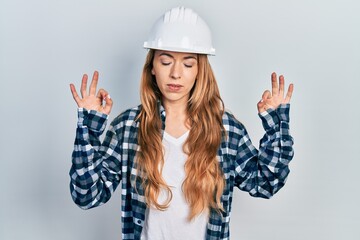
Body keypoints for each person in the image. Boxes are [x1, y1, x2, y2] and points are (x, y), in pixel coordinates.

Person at [69, 6, 294, 240]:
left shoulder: (226, 130)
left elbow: (266, 183)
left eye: (188, 64)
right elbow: (87, 196)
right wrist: (89, 127)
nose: (176, 73)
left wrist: (276, 126)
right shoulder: (127, 127)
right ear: (152, 68)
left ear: (199, 71)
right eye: (166, 62)